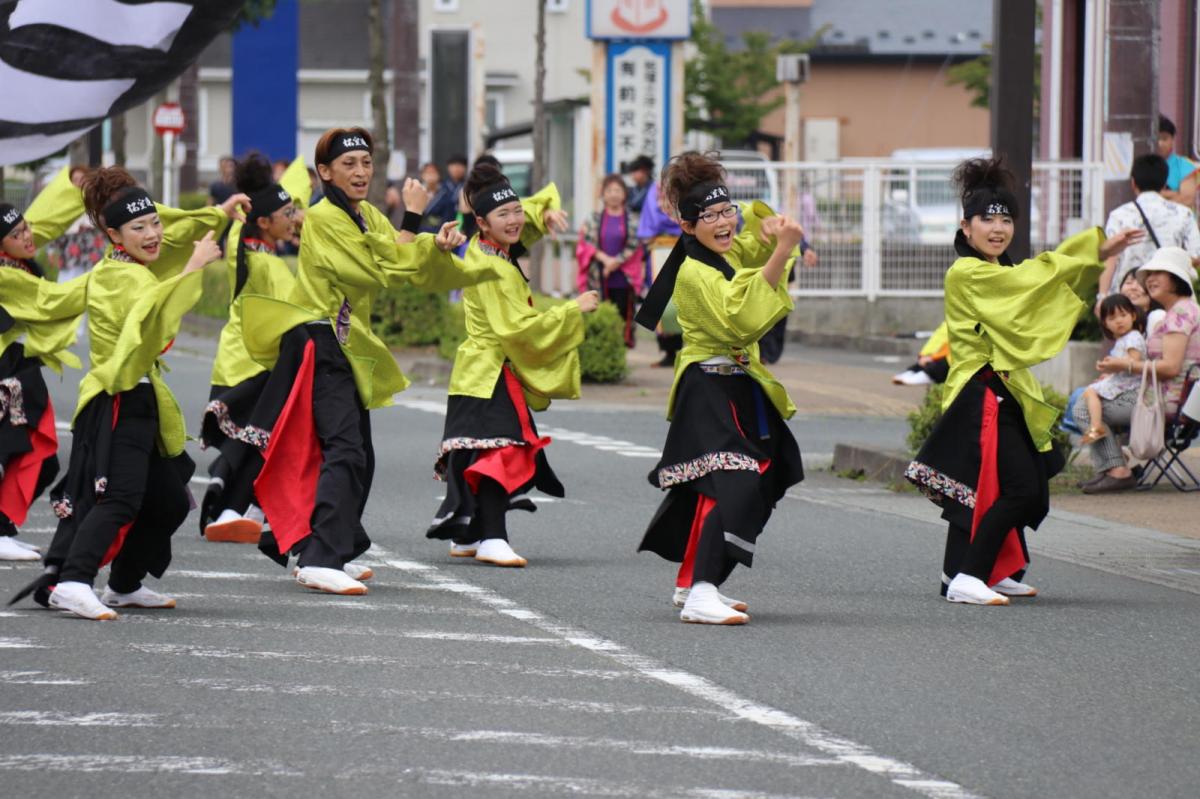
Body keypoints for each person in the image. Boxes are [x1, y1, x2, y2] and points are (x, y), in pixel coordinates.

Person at [238, 127, 493, 596]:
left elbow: (401, 257)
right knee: (345, 450)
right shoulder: (322, 218)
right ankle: (319, 557)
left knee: (358, 455)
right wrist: (413, 218)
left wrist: (436, 246)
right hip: (320, 340)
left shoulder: (366, 214)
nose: (360, 172)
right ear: (325, 172)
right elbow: (380, 268)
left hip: (346, 345)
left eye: (366, 163)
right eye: (349, 164)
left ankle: (329, 547)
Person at [10, 167, 246, 620]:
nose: (154, 234)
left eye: (155, 223)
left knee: (168, 501)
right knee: (118, 498)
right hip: (117, 400)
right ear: (113, 233)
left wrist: (217, 213)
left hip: (138, 399)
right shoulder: (121, 276)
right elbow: (151, 320)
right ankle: (73, 581)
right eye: (140, 228)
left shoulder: (124, 267)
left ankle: (123, 584)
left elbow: (172, 230)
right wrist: (194, 267)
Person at [905, 158, 1142, 605]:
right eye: (987, 219)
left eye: (1006, 220)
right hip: (981, 392)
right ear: (965, 227)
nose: (998, 229)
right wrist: (1091, 251)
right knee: (1020, 488)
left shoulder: (998, 271)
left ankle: (968, 572)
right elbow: (1035, 280)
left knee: (1018, 487)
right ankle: (969, 576)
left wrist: (1090, 255)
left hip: (1005, 389)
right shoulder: (968, 272)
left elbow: (1031, 281)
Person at [633, 152, 807, 625]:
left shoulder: (722, 253)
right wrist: (781, 251)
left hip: (738, 385)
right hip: (708, 385)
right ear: (688, 226)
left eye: (726, 211)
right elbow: (739, 319)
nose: (724, 222)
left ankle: (696, 580)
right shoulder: (694, 271)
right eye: (709, 216)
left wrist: (766, 227)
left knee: (770, 472)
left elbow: (753, 243)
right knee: (737, 478)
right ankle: (701, 591)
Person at [427, 163, 598, 566]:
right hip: (488, 372)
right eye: (503, 214)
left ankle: (468, 534)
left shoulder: (490, 249)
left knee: (479, 454)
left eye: (518, 211)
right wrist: (572, 309)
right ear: (482, 223)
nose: (515, 220)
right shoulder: (493, 267)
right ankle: (492, 537)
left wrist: (542, 213)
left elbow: (522, 225)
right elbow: (519, 329)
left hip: (480, 372)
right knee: (500, 453)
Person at [199, 152, 310, 543]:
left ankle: (238, 503)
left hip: (232, 358)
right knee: (262, 441)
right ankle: (230, 500)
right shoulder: (271, 267)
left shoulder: (239, 241)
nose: (294, 218)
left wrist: (294, 182)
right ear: (263, 222)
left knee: (252, 440)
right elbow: (301, 313)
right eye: (287, 214)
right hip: (261, 365)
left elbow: (278, 197)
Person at [0, 167, 86, 561]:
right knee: (15, 448)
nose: (27, 236)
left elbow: (44, 222)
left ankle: (3, 527)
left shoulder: (16, 259)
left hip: (20, 366)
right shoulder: (6, 274)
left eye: (25, 229)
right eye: (16, 234)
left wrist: (77, 191)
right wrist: (112, 276)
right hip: (8, 372)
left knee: (40, 456)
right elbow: (52, 302)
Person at [1077, 247, 1200, 493]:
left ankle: (1118, 471)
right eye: (1149, 274)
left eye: (1158, 273)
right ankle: (1113, 468)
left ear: (1176, 278)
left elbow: (1170, 367)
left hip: (1165, 400)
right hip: (1170, 396)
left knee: (1083, 408)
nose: (1150, 279)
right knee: (1090, 399)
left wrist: (1124, 365)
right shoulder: (1181, 310)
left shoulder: (1180, 314)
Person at [1099, 153, 1200, 302]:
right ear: (1164, 184)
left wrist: (1102, 296)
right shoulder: (1183, 214)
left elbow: (1110, 258)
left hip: (1127, 299)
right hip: (1169, 298)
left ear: (1133, 183)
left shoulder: (1119, 215)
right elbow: (1196, 256)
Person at [576, 174, 644, 347]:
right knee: (598, 317)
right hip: (598, 277)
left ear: (624, 194)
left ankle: (619, 352)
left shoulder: (633, 220)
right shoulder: (593, 218)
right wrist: (605, 260)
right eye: (609, 190)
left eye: (618, 190)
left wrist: (614, 263)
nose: (614, 194)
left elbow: (635, 245)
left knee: (621, 320)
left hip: (623, 279)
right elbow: (586, 243)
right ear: (603, 194)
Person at [1075, 295, 1147, 446]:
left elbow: (1134, 362)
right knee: (1090, 391)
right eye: (1112, 318)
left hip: (1130, 384)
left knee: (1090, 391)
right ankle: (1100, 431)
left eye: (1123, 315)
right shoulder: (1123, 339)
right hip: (1124, 380)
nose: (1119, 321)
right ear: (1105, 323)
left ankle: (1096, 426)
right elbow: (1121, 365)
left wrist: (1113, 364)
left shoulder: (1133, 337)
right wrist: (1107, 369)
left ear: (1133, 316)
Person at [637, 180, 685, 366]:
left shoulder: (685, 191)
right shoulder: (654, 191)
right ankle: (668, 351)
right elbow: (650, 224)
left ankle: (685, 349)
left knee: (683, 298)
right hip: (658, 253)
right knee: (661, 299)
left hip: (682, 249)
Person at [759, 239, 817, 365]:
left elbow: (794, 237)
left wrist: (806, 250)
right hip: (761, 274)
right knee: (762, 316)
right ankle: (763, 353)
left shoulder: (783, 227)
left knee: (780, 314)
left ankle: (770, 354)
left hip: (783, 275)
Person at [1158, 115, 1198, 209]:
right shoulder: (1140, 165)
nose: (1160, 143)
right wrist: (1174, 194)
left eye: (1164, 139)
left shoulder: (1184, 165)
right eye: (1156, 138)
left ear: (1172, 140)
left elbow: (1187, 199)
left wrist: (1158, 198)